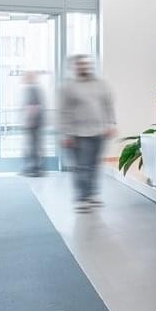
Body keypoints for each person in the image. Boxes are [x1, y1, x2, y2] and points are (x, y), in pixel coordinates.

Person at [58, 55, 116, 212]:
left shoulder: (100, 84)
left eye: (86, 64)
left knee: (94, 165)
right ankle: (81, 198)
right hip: (78, 134)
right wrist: (66, 134)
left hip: (99, 132)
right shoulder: (68, 86)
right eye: (80, 65)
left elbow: (108, 105)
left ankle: (91, 195)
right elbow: (63, 111)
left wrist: (111, 124)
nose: (84, 67)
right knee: (82, 167)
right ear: (75, 67)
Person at [20, 70, 44, 177]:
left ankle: (35, 169)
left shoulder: (33, 89)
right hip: (32, 123)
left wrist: (28, 121)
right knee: (31, 146)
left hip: (33, 123)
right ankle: (31, 168)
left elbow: (34, 106)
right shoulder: (31, 88)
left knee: (33, 147)